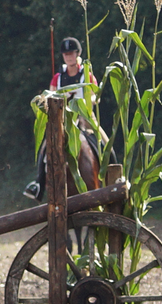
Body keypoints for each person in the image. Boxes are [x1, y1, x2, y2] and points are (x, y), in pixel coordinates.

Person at [24, 37, 98, 200]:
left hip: (85, 119)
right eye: (66, 54)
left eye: (71, 53)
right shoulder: (57, 78)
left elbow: (95, 96)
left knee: (105, 144)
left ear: (77, 54)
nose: (69, 57)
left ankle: (111, 177)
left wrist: (87, 101)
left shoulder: (87, 75)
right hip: (62, 121)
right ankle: (38, 184)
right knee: (45, 148)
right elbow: (49, 96)